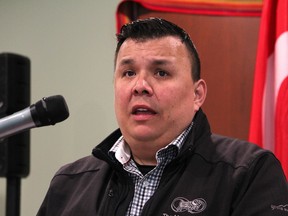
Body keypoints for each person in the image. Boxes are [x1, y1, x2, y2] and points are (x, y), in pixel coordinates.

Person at [37, 17, 288, 216]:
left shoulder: (248, 173)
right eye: (128, 73)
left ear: (197, 95)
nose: (140, 85)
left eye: (161, 73)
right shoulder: (69, 183)